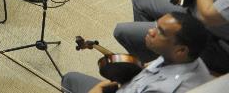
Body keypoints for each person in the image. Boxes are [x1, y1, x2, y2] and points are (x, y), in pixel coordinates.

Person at [115, 0, 229, 76]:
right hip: (195, 11)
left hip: (211, 38)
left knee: (122, 31)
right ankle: (158, 62)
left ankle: (158, 68)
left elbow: (207, 15)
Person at [68, 13, 213, 93]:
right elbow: (146, 72)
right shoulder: (186, 58)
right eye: (156, 26)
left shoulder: (167, 89)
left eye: (160, 32)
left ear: (180, 50)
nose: (150, 31)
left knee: (70, 79)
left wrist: (97, 89)